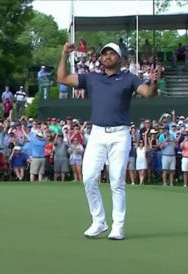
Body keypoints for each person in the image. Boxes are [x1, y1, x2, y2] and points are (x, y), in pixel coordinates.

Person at [57, 42, 158, 240]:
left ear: (119, 58)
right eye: (104, 54)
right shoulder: (92, 77)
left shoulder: (129, 78)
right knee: (88, 177)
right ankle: (99, 221)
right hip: (97, 133)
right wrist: (63, 55)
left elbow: (147, 93)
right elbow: (62, 78)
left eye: (112, 54)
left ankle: (118, 226)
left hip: (120, 134)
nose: (107, 56)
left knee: (117, 180)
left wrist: (153, 83)